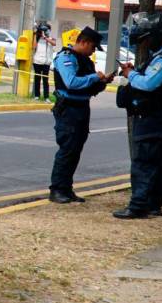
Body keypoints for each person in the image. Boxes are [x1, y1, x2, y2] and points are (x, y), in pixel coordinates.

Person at [114, 13, 162, 220]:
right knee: (154, 164)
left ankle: (138, 206)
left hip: (153, 118)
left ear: (157, 36)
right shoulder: (161, 57)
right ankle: (152, 204)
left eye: (147, 39)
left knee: (143, 163)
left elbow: (149, 84)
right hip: (154, 118)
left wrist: (130, 75)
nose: (145, 44)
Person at [49, 27, 114, 204]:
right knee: (67, 149)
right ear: (83, 42)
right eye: (93, 47)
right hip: (68, 109)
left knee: (75, 150)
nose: (93, 51)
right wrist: (94, 78)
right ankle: (57, 190)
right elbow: (71, 82)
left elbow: (89, 88)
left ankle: (66, 188)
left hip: (82, 107)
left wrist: (102, 82)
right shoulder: (65, 58)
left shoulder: (85, 61)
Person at [32, 22, 58, 101]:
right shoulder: (37, 37)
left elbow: (54, 44)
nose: (45, 32)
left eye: (47, 30)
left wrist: (46, 38)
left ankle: (46, 97)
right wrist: (35, 35)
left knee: (45, 80)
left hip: (47, 62)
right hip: (37, 61)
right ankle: (37, 96)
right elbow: (33, 47)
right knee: (37, 79)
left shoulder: (50, 37)